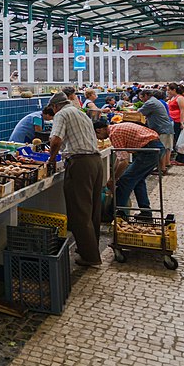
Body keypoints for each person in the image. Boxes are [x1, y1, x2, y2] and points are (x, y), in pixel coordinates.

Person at [46, 92, 104, 267]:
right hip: (95, 162)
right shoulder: (80, 112)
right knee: (92, 210)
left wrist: (51, 159)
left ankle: (90, 257)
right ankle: (90, 247)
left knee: (79, 211)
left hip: (80, 164)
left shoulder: (62, 114)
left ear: (55, 107)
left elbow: (55, 140)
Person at [93, 119, 163, 219]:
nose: (100, 140)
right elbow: (120, 158)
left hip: (150, 150)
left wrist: (114, 179)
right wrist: (113, 177)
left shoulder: (113, 133)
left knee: (125, 180)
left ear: (99, 130)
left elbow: (124, 162)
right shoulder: (116, 129)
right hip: (154, 148)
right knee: (138, 181)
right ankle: (145, 212)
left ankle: (116, 212)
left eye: (97, 136)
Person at [138, 89, 174, 174]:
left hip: (162, 129)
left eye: (142, 98)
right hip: (163, 128)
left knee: (161, 149)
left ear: (146, 95)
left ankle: (161, 169)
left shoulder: (150, 103)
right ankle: (162, 168)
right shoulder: (154, 101)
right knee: (163, 149)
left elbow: (139, 113)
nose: (142, 100)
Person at [167, 83, 184, 166]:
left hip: (178, 120)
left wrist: (181, 122)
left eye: (169, 90)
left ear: (174, 90)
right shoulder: (173, 98)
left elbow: (182, 110)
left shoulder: (180, 98)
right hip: (173, 120)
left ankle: (181, 159)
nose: (168, 91)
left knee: (180, 140)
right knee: (176, 140)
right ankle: (178, 158)